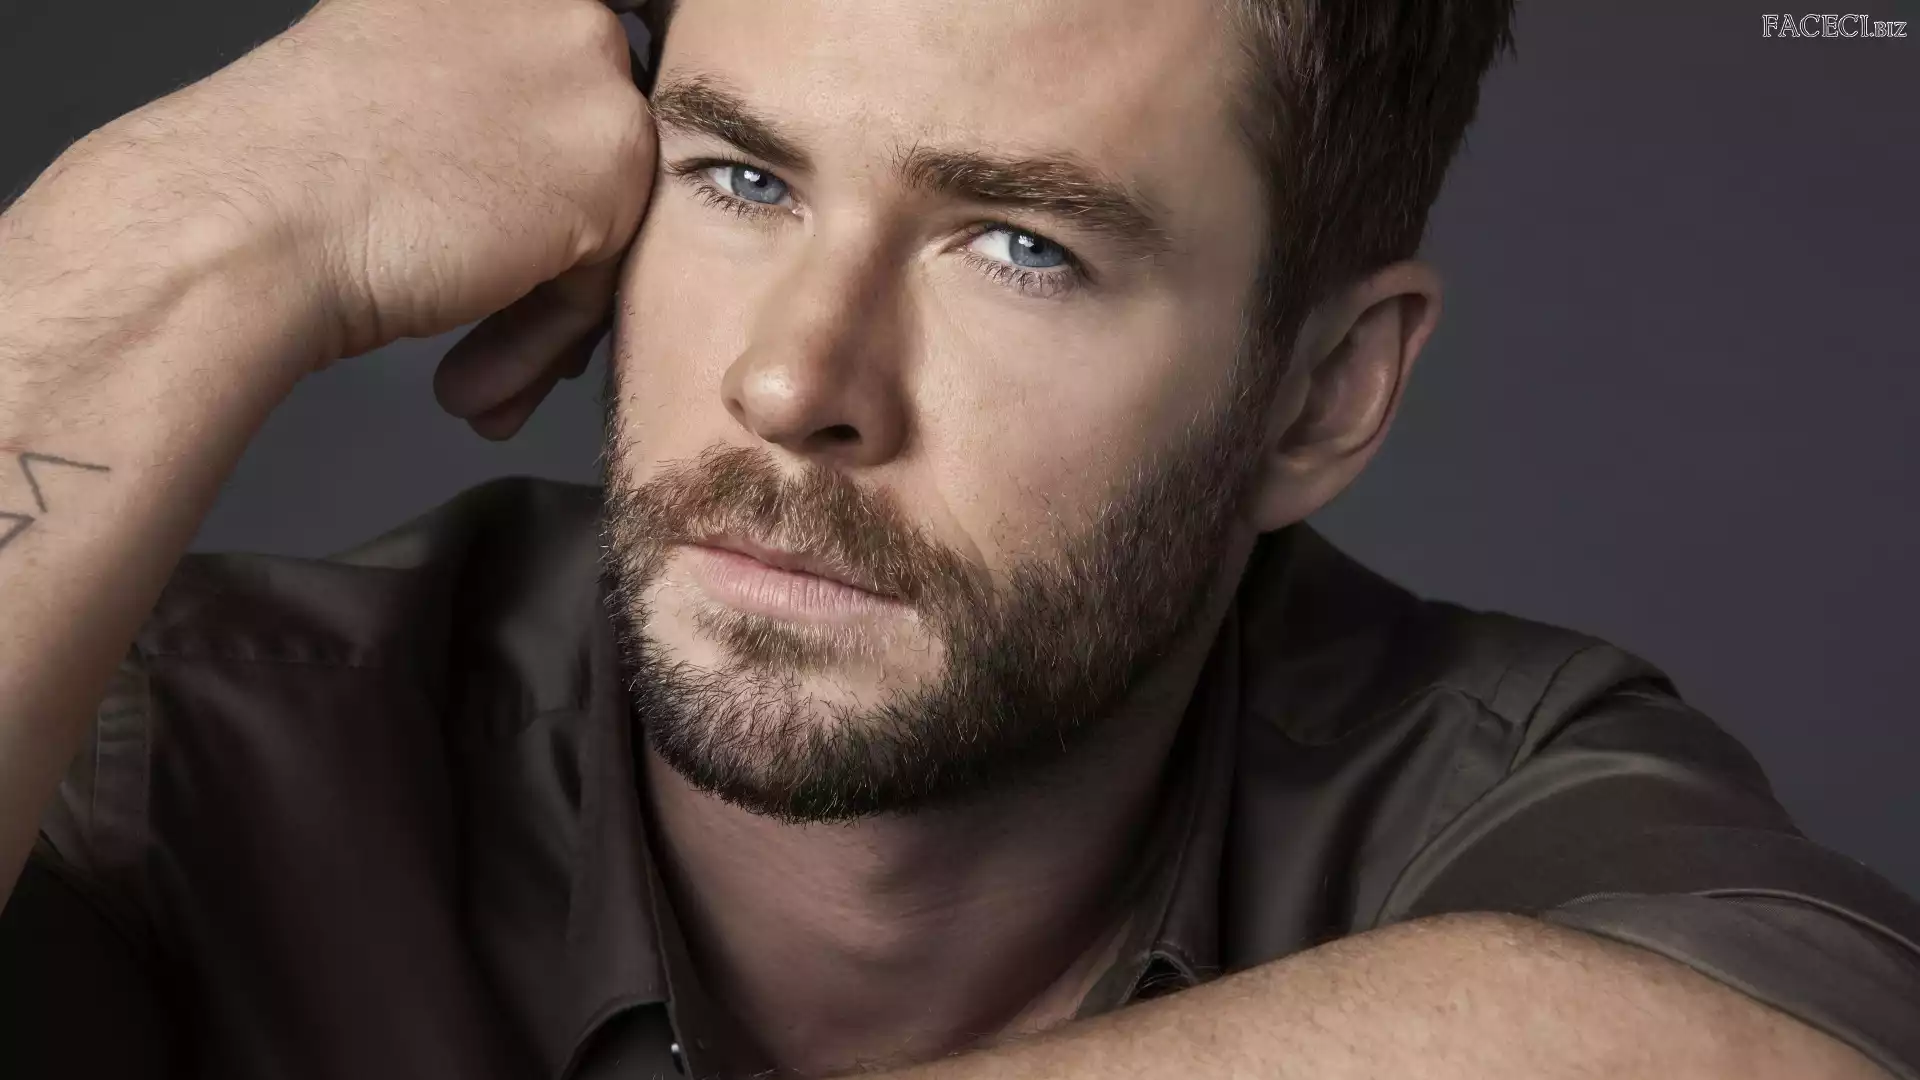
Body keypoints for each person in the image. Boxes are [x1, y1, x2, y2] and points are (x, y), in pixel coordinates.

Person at [1, 0, 1915, 1076]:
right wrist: (187, 215)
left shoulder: (1479, 789)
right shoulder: (180, 749)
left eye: (1020, 245)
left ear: (1319, 394)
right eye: (739, 178)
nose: (792, 384)